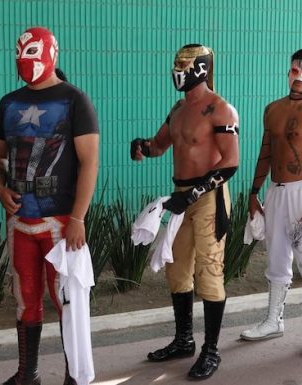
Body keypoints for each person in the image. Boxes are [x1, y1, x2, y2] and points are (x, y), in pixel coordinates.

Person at [0, 26, 99, 385]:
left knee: (66, 303)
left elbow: (90, 163)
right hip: (20, 221)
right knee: (26, 299)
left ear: (50, 53)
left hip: (61, 221)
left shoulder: (74, 100)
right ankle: (27, 374)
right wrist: (0, 187)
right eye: (23, 54)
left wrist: (78, 218)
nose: (27, 61)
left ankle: (73, 377)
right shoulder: (9, 102)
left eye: (34, 53)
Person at [130, 43, 239, 380]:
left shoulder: (221, 110)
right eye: (177, 63)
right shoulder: (177, 109)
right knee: (177, 271)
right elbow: (161, 145)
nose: (178, 70)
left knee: (209, 271)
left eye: (186, 64)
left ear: (202, 68)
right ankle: (184, 339)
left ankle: (212, 350)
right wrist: (143, 147)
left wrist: (192, 193)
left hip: (208, 196)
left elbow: (231, 163)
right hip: (181, 196)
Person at [240, 49, 302, 357]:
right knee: (276, 258)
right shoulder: (272, 109)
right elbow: (265, 154)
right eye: (295, 70)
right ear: (288, 70)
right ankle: (273, 320)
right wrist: (255, 194)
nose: (299, 77)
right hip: (276, 192)